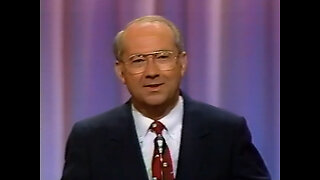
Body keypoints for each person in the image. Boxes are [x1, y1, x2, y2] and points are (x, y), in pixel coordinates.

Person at [61, 15, 271, 180]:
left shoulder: (227, 131)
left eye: (162, 57)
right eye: (138, 60)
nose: (152, 71)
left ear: (182, 63)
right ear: (120, 71)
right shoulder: (89, 139)